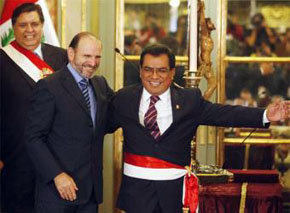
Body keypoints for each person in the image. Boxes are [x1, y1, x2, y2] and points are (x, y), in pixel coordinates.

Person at [107, 44, 290, 213]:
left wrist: (265, 115)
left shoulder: (189, 100)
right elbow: (98, 124)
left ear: (172, 73)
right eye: (148, 70)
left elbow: (225, 114)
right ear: (140, 71)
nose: (154, 76)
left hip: (173, 194)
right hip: (136, 194)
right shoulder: (124, 99)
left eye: (161, 70)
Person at [24, 32, 113, 212]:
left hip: (90, 194)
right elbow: (33, 138)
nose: (93, 63)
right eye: (87, 56)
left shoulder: (100, 84)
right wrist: (56, 175)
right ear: (71, 54)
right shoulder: (49, 86)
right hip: (57, 194)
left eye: (97, 57)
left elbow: (111, 118)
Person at [0, 3, 67, 212]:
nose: (29, 30)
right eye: (23, 25)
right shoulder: (2, 59)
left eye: (34, 24)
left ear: (42, 25)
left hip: (58, 157)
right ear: (13, 28)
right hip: (16, 157)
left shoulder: (63, 57)